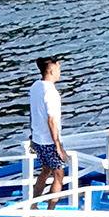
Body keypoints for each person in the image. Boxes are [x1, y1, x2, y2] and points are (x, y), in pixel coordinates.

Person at [28, 57, 66, 199]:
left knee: (45, 171)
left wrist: (32, 136)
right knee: (59, 175)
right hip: (49, 141)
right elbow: (51, 120)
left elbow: (33, 114)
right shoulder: (51, 92)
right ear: (51, 71)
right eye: (58, 69)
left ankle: (34, 204)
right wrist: (58, 146)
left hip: (38, 139)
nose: (59, 72)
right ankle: (49, 212)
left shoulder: (35, 87)